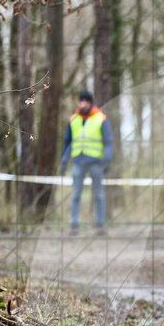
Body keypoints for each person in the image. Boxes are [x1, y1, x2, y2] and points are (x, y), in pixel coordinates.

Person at [60, 90, 113, 235]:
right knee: (76, 194)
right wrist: (64, 161)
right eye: (80, 101)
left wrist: (107, 160)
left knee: (98, 195)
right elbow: (67, 142)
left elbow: (108, 141)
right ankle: (74, 224)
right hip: (78, 162)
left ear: (90, 103)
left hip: (96, 163)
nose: (82, 103)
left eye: (85, 101)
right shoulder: (73, 119)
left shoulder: (101, 119)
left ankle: (99, 225)